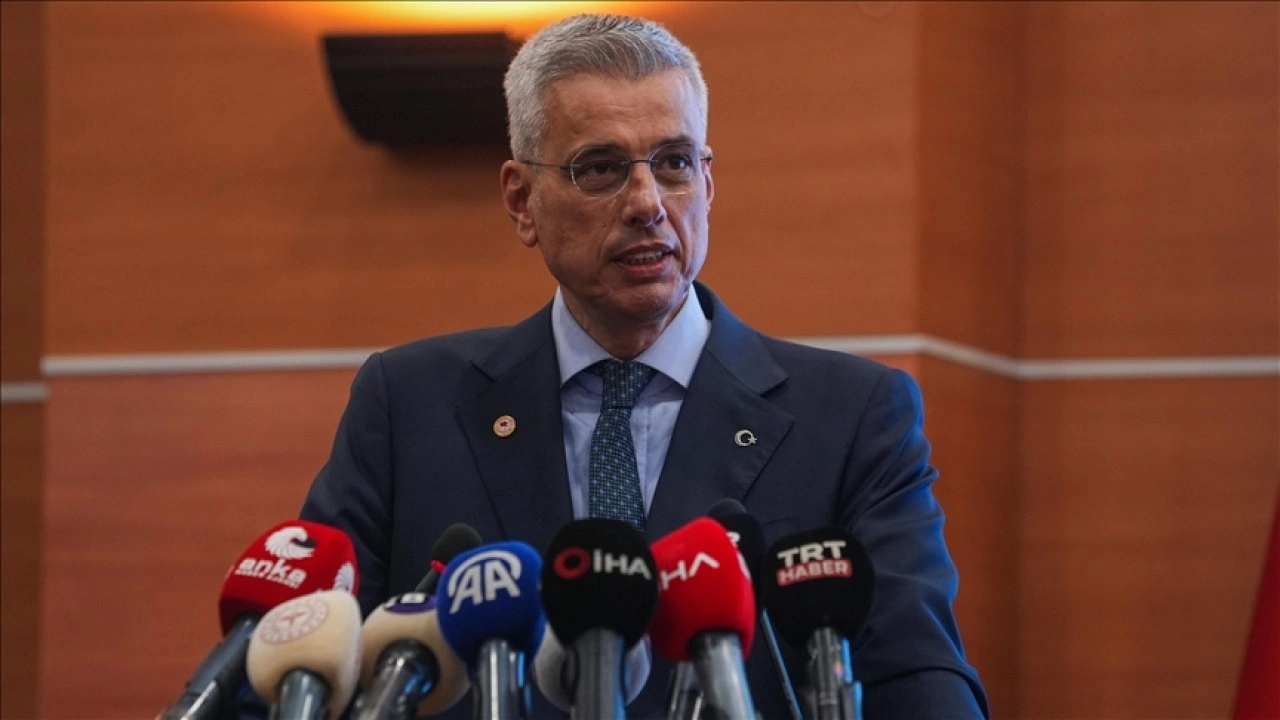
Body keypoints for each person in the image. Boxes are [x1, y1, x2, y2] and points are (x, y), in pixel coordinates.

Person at [301, 13, 987, 719]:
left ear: (708, 185)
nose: (647, 204)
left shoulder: (852, 418)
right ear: (522, 200)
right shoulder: (407, 406)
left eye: (674, 162)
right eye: (600, 168)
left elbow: (919, 681)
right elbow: (303, 663)